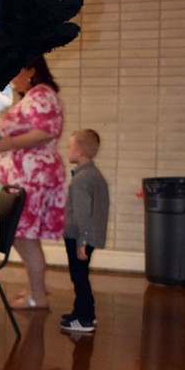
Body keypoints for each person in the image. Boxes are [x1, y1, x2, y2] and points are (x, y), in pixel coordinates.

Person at [0, 55, 66, 310]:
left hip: (33, 179)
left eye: (16, 71)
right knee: (22, 236)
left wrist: (8, 143)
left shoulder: (41, 94)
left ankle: (38, 296)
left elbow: (46, 131)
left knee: (25, 237)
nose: (12, 79)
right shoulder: (34, 96)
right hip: (26, 178)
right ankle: (38, 288)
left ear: (31, 70)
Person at [61, 129, 109, 334]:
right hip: (87, 236)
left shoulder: (81, 180)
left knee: (79, 276)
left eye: (70, 146)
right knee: (81, 275)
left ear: (79, 151)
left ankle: (85, 317)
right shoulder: (94, 175)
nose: (68, 150)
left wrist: (82, 242)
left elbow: (82, 215)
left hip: (78, 237)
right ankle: (80, 311)